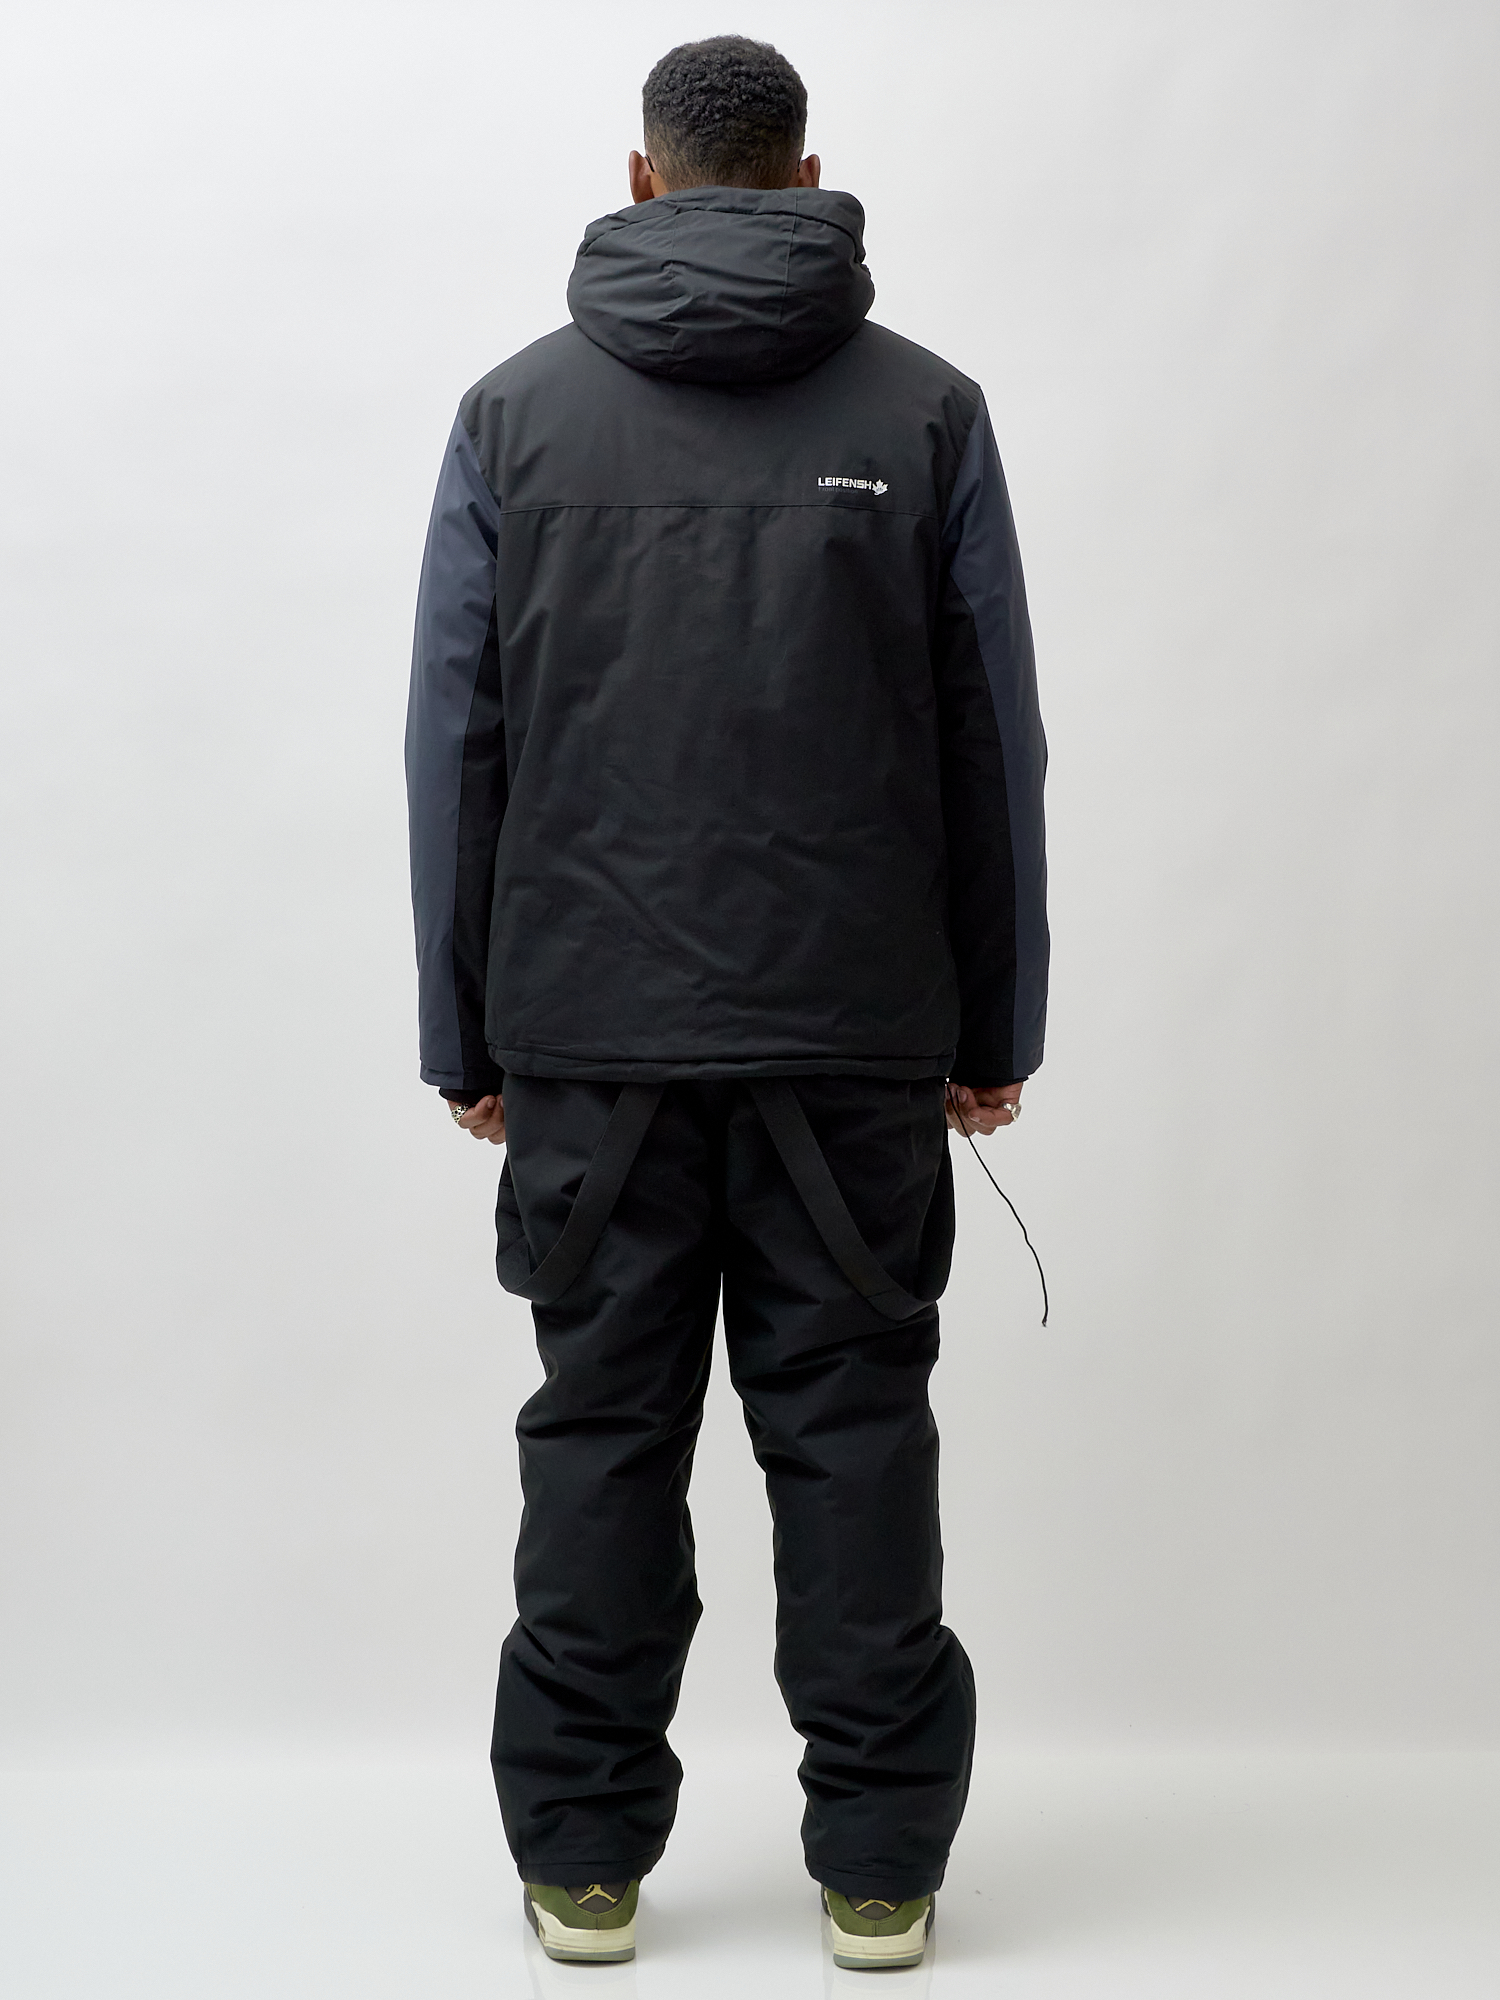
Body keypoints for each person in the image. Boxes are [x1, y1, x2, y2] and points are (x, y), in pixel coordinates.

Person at [405, 33, 1047, 1973]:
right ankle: (880, 1870)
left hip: (586, 1040)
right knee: (854, 1443)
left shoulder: (513, 418)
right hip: (854, 1039)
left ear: (642, 177)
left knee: (600, 1440)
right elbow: (991, 741)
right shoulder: (929, 412)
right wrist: (993, 1028)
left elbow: (457, 739)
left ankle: (582, 1865)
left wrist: (463, 1033)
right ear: (807, 175)